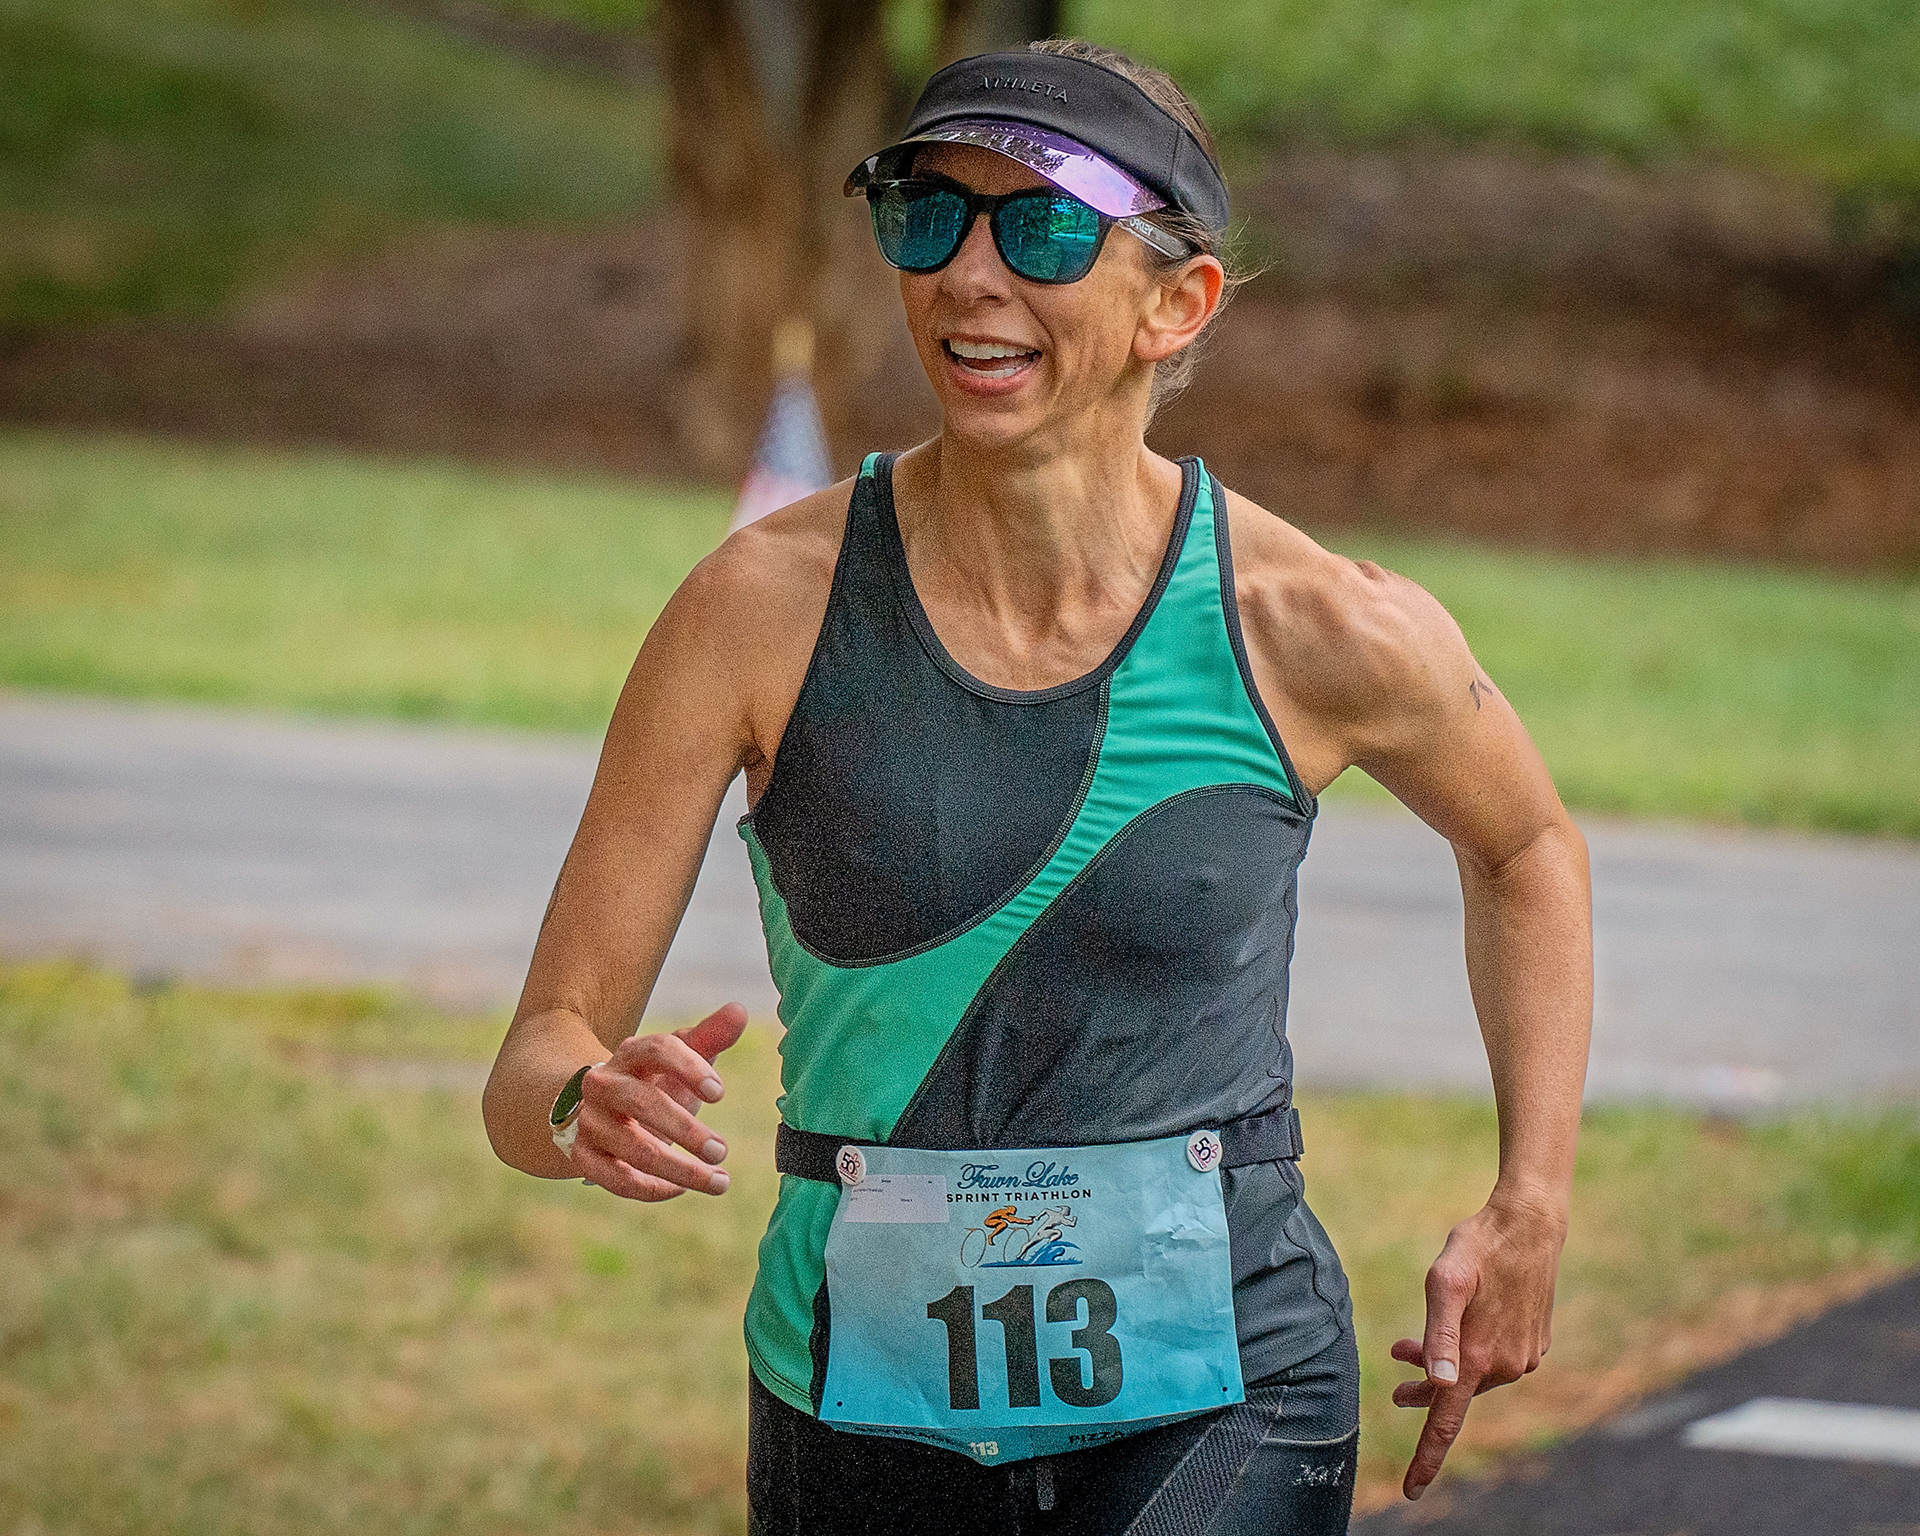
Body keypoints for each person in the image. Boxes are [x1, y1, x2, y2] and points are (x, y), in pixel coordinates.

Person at [483, 37, 1592, 1536]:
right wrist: (581, 1103)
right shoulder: (756, 610)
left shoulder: (1309, 624)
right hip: (851, 1400)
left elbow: (1526, 847)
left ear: (1175, 303)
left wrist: (1532, 1202)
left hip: (1228, 1390)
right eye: (929, 215)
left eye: (1047, 229)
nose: (969, 274)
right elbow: (535, 1059)